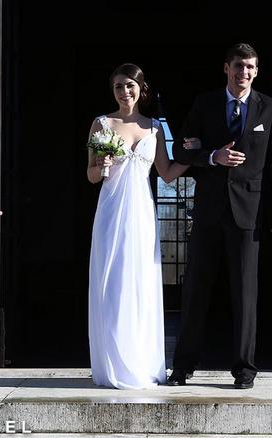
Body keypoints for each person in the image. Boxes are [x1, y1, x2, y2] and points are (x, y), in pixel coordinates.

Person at [167, 43, 272, 389]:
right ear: (226, 68)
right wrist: (211, 156)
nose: (243, 73)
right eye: (238, 66)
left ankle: (244, 369)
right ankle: (183, 366)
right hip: (208, 209)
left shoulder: (270, 107)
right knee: (196, 289)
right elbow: (179, 149)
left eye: (250, 67)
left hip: (249, 212)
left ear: (256, 71)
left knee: (245, 293)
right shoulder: (205, 103)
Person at [86, 63, 189, 389]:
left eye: (129, 85)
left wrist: (198, 154)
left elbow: (167, 173)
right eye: (118, 86)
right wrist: (101, 165)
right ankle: (113, 364)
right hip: (111, 210)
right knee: (112, 281)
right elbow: (91, 175)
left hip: (141, 212)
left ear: (140, 89)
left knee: (139, 281)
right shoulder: (101, 124)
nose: (124, 92)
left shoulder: (154, 128)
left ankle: (140, 362)